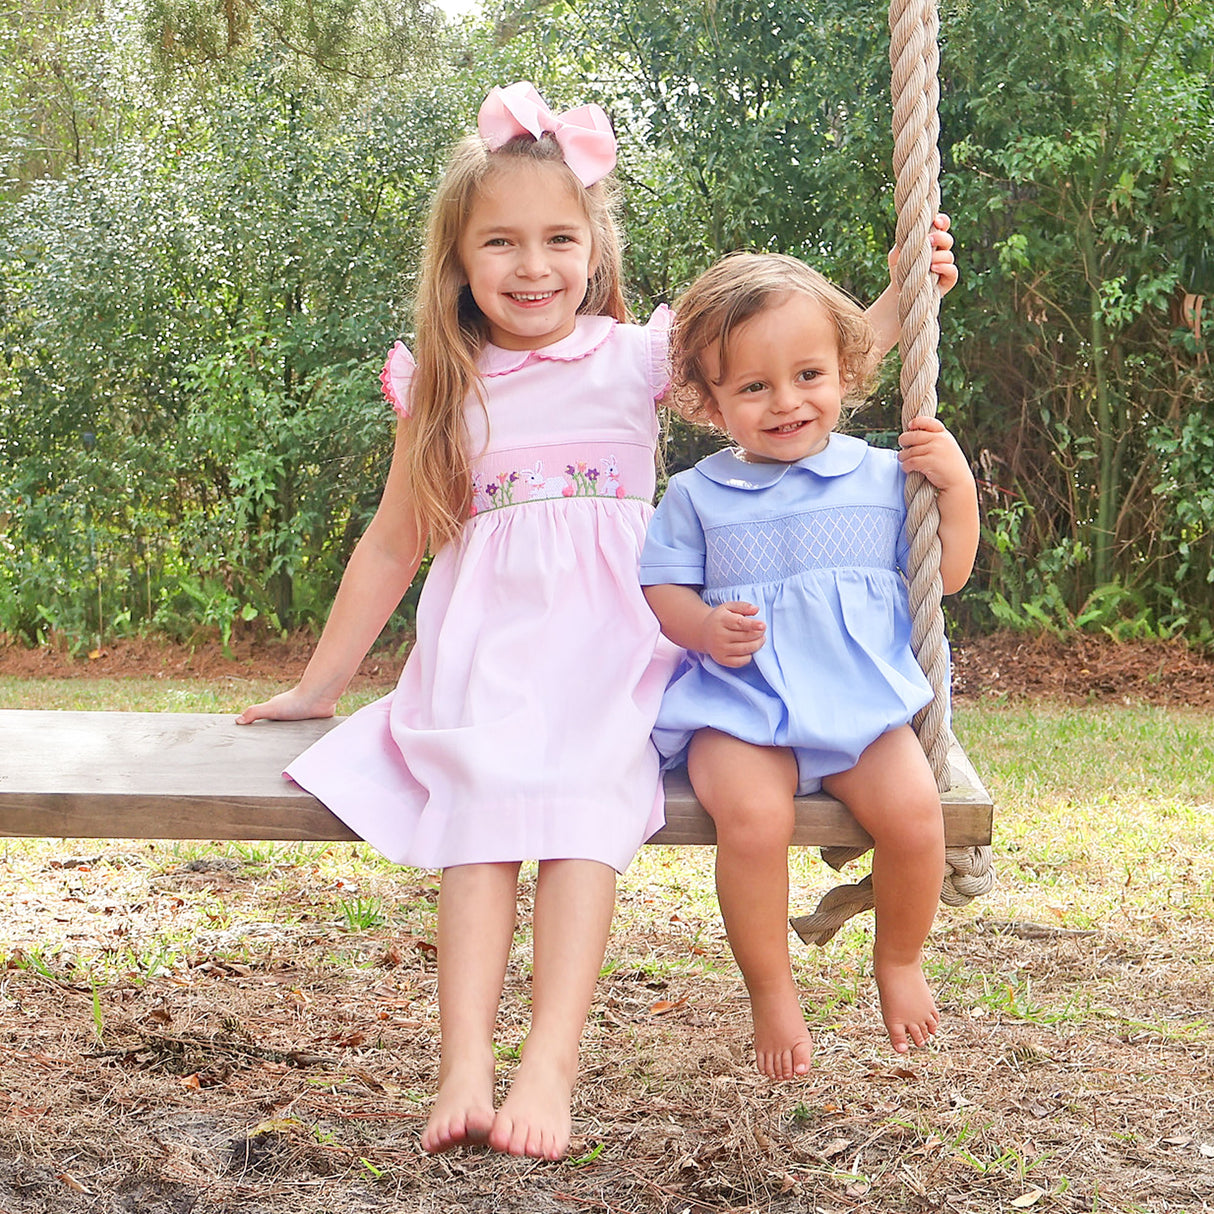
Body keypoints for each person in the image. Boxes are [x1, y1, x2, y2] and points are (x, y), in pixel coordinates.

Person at [237, 81, 955, 1156]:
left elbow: (791, 359)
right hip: (488, 645)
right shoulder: (444, 381)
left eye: (559, 238)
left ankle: (550, 1059)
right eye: (502, 244)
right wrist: (320, 683)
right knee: (476, 822)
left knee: (580, 809)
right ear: (458, 260)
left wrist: (908, 292)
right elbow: (393, 542)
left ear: (594, 246)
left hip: (617, 643)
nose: (533, 267)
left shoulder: (633, 359)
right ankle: (464, 1059)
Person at [639, 251, 978, 1080]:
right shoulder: (697, 493)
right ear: (709, 401)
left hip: (859, 705)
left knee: (915, 817)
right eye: (753, 388)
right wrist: (705, 627)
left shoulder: (882, 476)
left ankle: (897, 961)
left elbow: (947, 577)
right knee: (753, 823)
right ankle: (770, 987)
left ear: (845, 371)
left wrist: (957, 488)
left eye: (807, 375)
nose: (786, 401)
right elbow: (663, 589)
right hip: (741, 707)